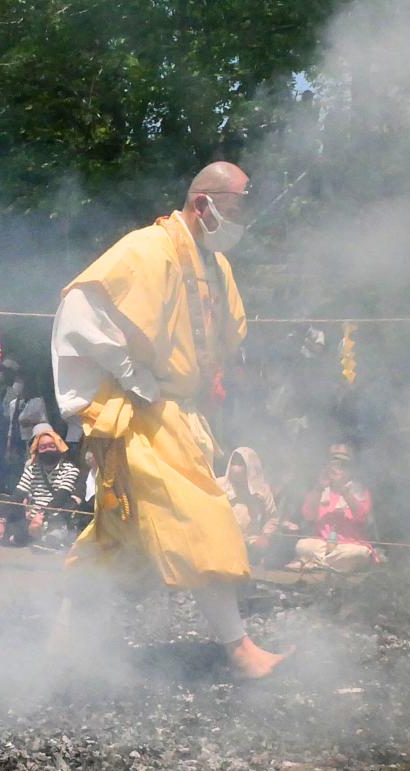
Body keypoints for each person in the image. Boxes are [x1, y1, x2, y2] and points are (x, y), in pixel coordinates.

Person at [50, 161, 284, 678]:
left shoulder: (216, 264)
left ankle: (60, 650)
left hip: (179, 413)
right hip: (142, 417)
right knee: (203, 520)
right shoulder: (147, 248)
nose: (242, 221)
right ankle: (239, 650)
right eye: (238, 208)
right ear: (204, 204)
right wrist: (133, 375)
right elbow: (79, 311)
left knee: (116, 540)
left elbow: (222, 336)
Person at [294, 444, 379, 574]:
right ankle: (330, 564)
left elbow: (362, 517)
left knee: (359, 553)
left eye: (344, 464)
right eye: (335, 462)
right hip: (322, 546)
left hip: (349, 547)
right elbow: (308, 515)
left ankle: (316, 563)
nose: (339, 468)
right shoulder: (319, 489)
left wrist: (345, 493)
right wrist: (319, 488)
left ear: (351, 468)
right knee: (302, 545)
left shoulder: (359, 491)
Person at [0, 422, 80, 547]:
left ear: (58, 447)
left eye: (51, 446)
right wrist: (1, 522)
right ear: (37, 450)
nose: (47, 449)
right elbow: (17, 496)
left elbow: (61, 497)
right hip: (31, 520)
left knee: (52, 539)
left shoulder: (70, 469)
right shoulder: (31, 469)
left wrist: (41, 517)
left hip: (56, 519)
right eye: (43, 447)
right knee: (8, 539)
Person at [218, 446, 290, 565]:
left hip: (250, 541)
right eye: (234, 463)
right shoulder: (218, 485)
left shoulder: (262, 490)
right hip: (222, 541)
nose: (236, 467)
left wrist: (265, 536)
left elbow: (273, 518)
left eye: (241, 464)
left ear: (250, 466)